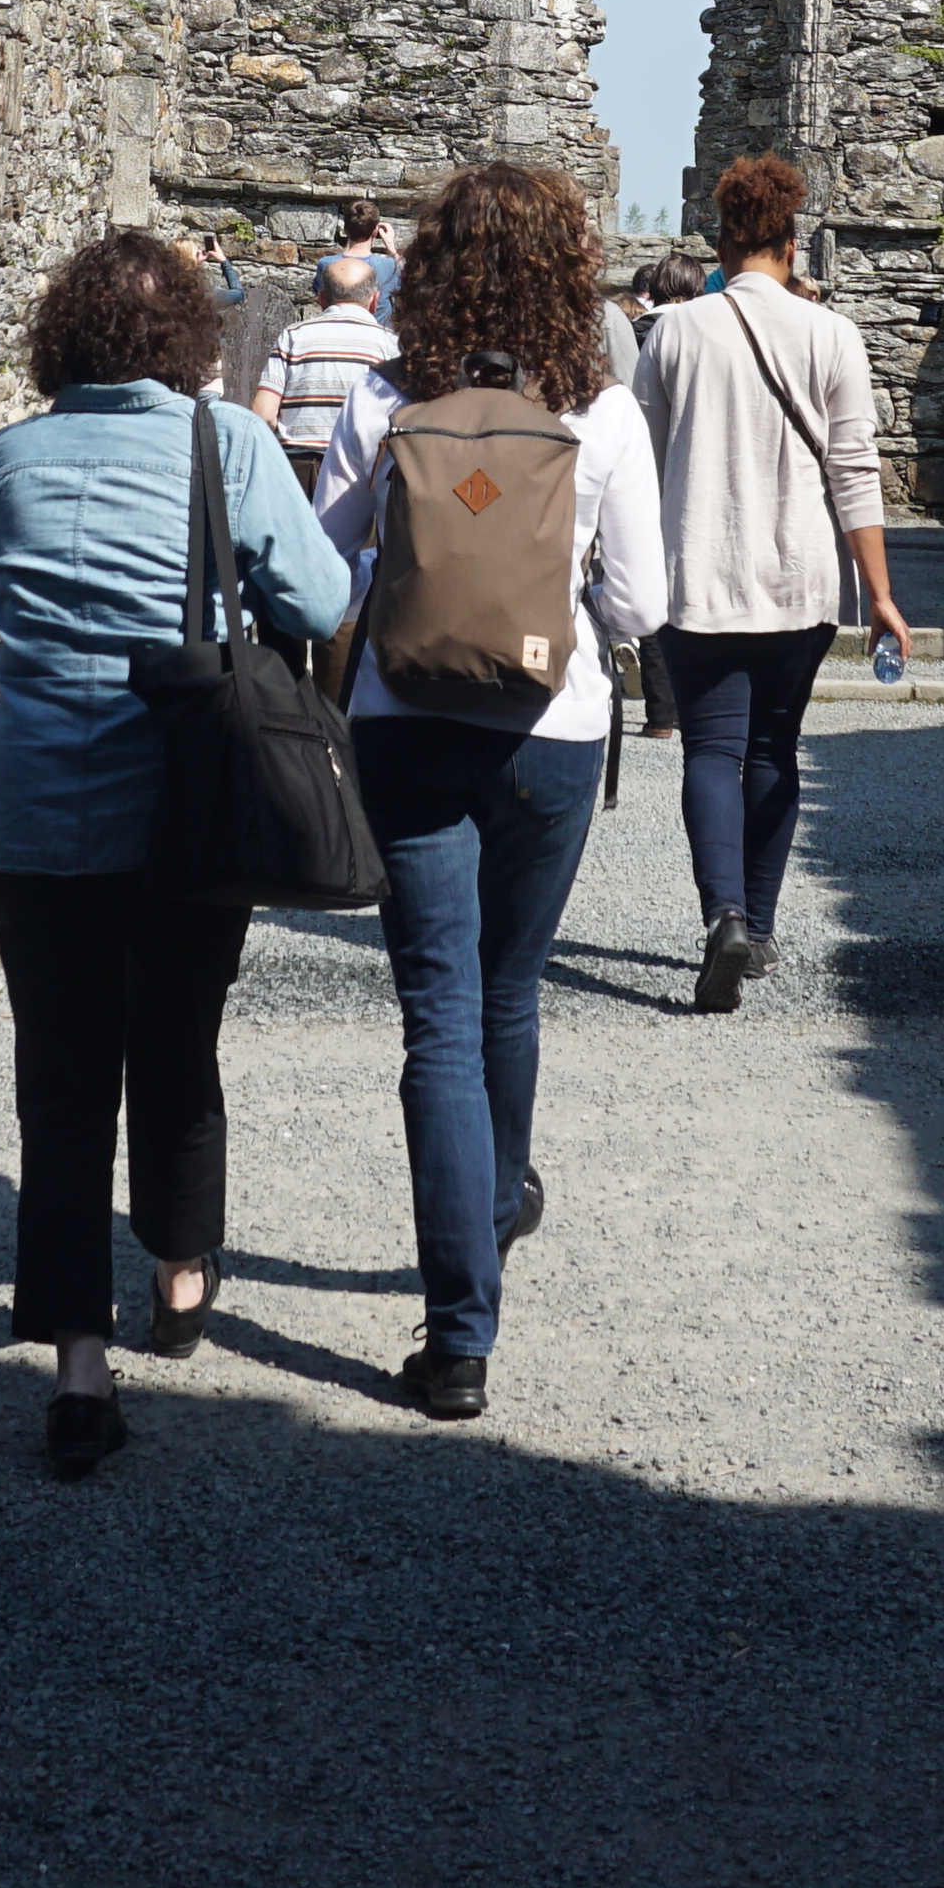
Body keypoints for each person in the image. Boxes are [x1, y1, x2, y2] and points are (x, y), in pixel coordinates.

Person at [0, 229, 350, 1483]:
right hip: (190, 802)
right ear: (189, 339)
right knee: (177, 1045)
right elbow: (322, 602)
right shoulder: (227, 446)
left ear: (61, 336)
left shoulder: (11, 455)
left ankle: (76, 1366)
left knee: (59, 1080)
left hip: (42, 804)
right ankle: (177, 1274)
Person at [309, 158, 664, 1422]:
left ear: (435, 267)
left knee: (436, 1016)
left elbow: (327, 568)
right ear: (571, 270)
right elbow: (640, 604)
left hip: (408, 725)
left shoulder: (384, 395)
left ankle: (459, 1334)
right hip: (550, 728)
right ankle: (501, 1197)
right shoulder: (602, 414)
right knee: (509, 992)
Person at [637, 153, 909, 1012]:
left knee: (711, 750)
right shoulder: (832, 336)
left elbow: (640, 467)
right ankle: (759, 923)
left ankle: (721, 916)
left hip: (700, 573)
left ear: (721, 243)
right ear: (792, 244)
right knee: (773, 750)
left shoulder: (675, 331)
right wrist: (882, 595)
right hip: (800, 582)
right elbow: (857, 472)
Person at [251, 248, 400, 494]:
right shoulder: (390, 344)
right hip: (363, 472)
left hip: (298, 470)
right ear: (375, 300)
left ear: (321, 298)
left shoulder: (293, 336)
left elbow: (264, 414)